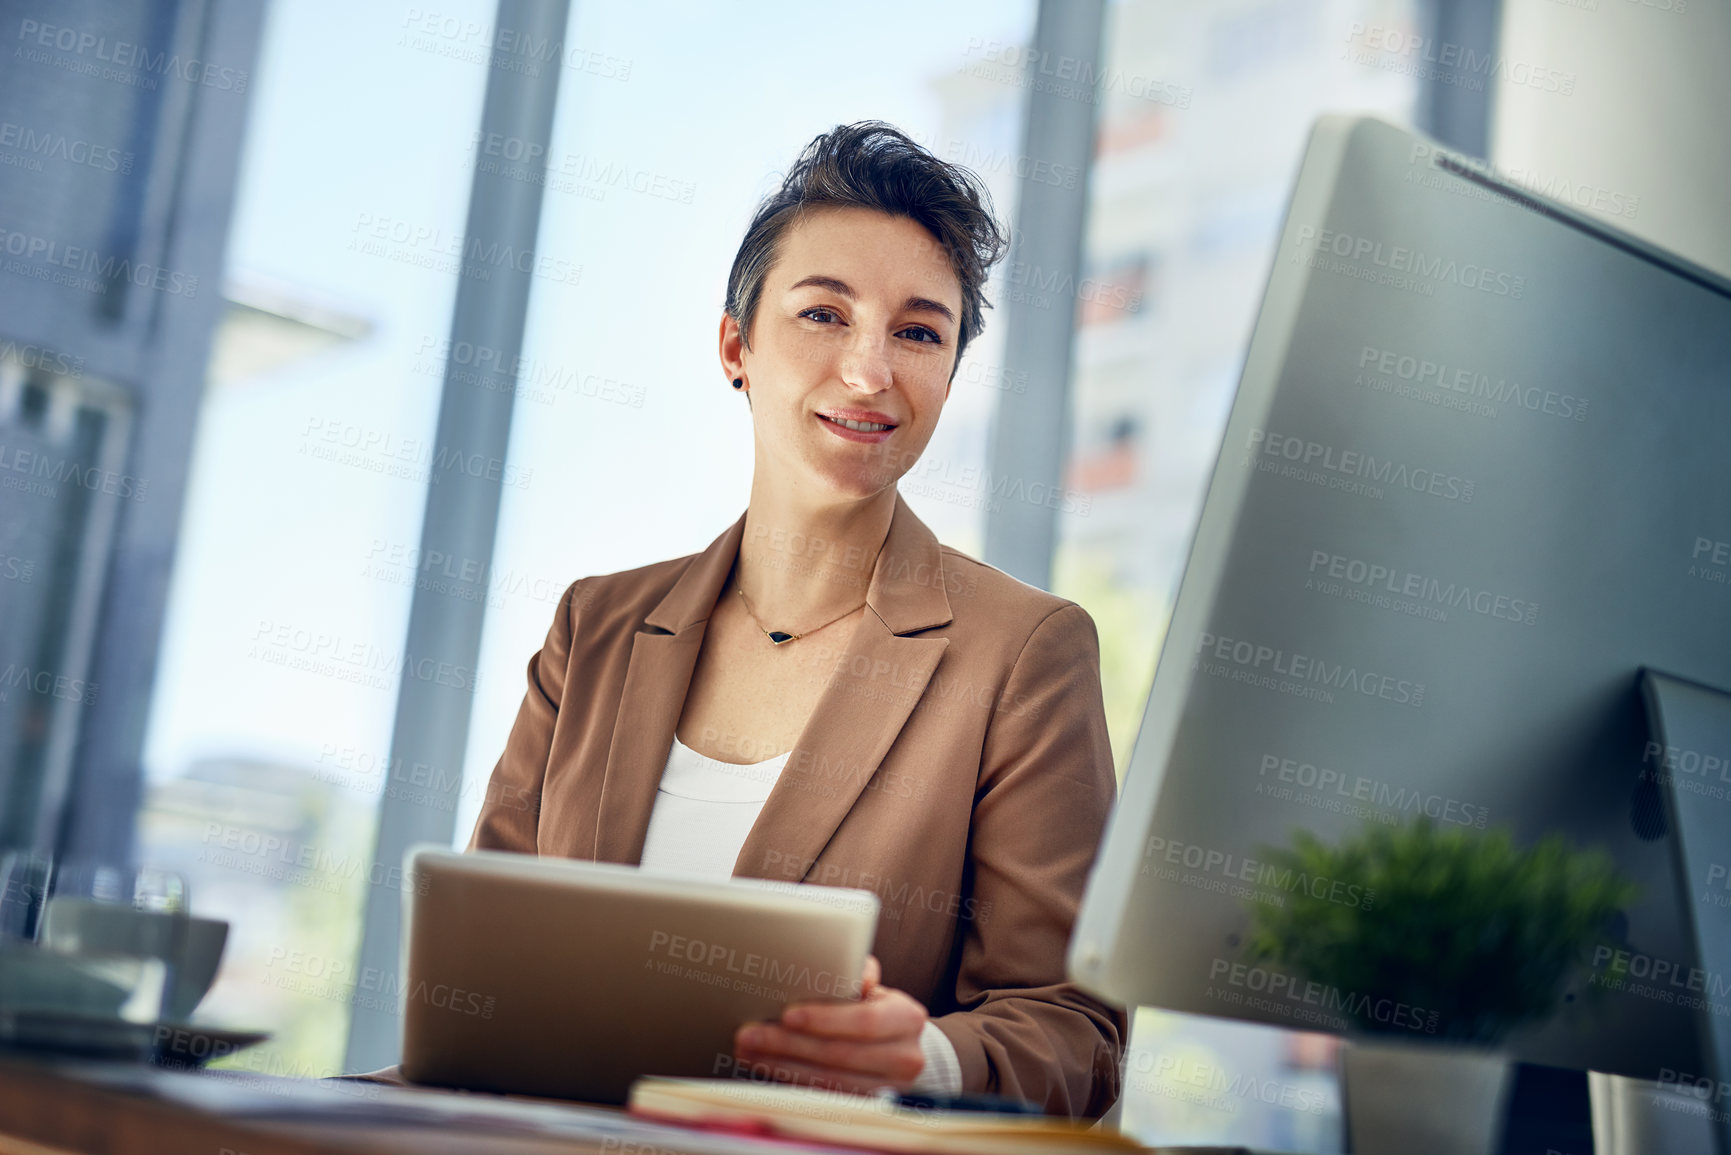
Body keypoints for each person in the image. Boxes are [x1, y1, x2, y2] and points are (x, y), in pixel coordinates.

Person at [469, 121, 1126, 1118]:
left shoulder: (1022, 654)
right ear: (736, 344)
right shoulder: (593, 630)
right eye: (824, 314)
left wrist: (927, 1062)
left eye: (918, 332)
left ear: (948, 373)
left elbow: (1074, 1036)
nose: (870, 372)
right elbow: (476, 972)